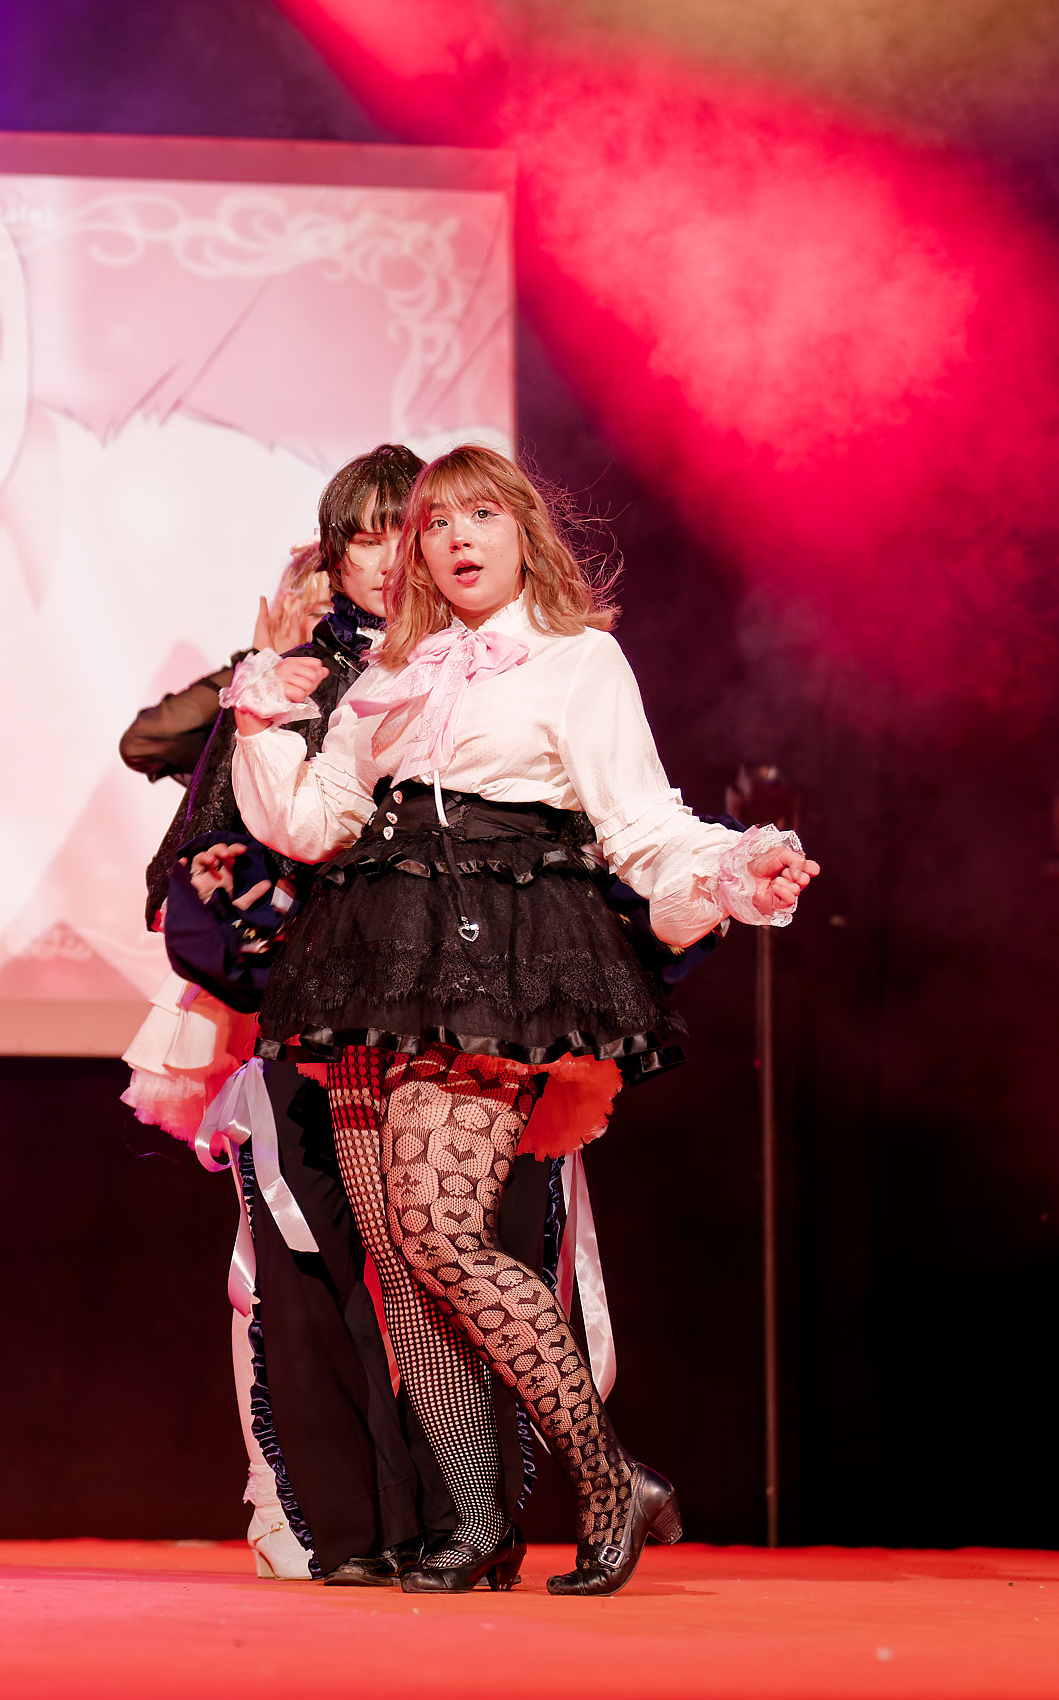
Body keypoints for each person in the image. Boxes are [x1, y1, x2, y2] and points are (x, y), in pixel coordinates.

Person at [225, 444, 818, 1596]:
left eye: (480, 515)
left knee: (441, 1229)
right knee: (402, 1260)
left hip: (491, 957)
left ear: (522, 532)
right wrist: (258, 720)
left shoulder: (575, 659)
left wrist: (729, 867)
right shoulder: (391, 671)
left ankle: (608, 1477)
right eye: (436, 523)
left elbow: (640, 823)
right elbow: (315, 819)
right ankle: (477, 1522)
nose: (456, 538)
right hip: (367, 961)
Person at [129, 446, 551, 1585]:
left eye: (407, 531)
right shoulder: (298, 676)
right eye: (365, 536)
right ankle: (351, 1528)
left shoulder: (503, 663)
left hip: (463, 1012)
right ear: (331, 556)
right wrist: (263, 675)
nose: (391, 557)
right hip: (307, 1008)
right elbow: (183, 794)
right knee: (309, 1269)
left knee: (459, 1262)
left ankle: (469, 1520)